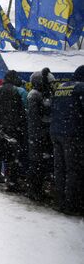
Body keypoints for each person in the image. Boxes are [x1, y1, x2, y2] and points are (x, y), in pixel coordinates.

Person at [50, 65, 84, 215]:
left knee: (60, 168)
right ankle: (71, 204)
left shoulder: (60, 87)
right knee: (73, 169)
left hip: (55, 132)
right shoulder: (81, 88)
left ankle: (59, 201)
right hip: (72, 133)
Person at [0, 70, 28, 192]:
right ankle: (12, 182)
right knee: (13, 158)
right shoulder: (20, 91)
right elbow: (25, 110)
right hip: (14, 130)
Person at [27, 68, 55, 202]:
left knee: (39, 164)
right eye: (48, 83)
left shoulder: (40, 94)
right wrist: (41, 133)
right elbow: (35, 118)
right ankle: (34, 190)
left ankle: (36, 190)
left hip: (40, 135)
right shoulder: (34, 95)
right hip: (37, 136)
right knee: (36, 164)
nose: (50, 86)